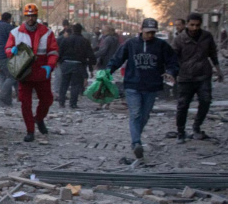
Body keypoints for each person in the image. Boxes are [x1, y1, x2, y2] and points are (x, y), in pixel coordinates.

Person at [106, 18, 178, 159]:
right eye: (147, 32)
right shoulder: (130, 44)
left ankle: (136, 136)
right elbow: (117, 59)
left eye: (153, 32)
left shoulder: (161, 45)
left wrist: (171, 72)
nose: (150, 35)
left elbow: (172, 62)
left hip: (151, 86)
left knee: (144, 115)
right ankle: (136, 142)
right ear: (141, 30)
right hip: (133, 85)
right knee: (135, 114)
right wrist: (107, 71)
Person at [5, 3, 59, 142]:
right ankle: (30, 131)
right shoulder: (15, 32)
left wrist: (50, 66)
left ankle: (39, 119)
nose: (30, 18)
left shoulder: (47, 32)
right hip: (25, 73)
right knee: (25, 103)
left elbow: (53, 51)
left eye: (33, 16)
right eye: (28, 16)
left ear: (36, 16)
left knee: (47, 100)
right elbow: (8, 48)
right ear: (25, 16)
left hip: (42, 73)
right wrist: (12, 51)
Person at [173, 12, 225, 142]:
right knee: (183, 105)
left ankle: (196, 126)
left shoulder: (207, 37)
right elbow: (173, 57)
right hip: (185, 77)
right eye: (192, 25)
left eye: (197, 25)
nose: (195, 28)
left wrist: (218, 70)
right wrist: (173, 73)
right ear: (187, 24)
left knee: (206, 101)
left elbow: (212, 54)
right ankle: (180, 132)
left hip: (203, 76)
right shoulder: (180, 39)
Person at [57, 23, 96, 109]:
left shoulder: (66, 39)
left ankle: (61, 102)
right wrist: (91, 67)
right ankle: (73, 103)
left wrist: (59, 62)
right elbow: (90, 55)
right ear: (81, 30)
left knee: (64, 84)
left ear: (73, 30)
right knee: (75, 85)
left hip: (66, 63)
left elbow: (60, 51)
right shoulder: (84, 41)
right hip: (78, 64)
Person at [0, 12, 18, 106]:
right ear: (9, 19)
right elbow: (15, 39)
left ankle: (6, 101)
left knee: (3, 77)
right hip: (4, 55)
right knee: (12, 77)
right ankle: (1, 98)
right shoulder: (8, 27)